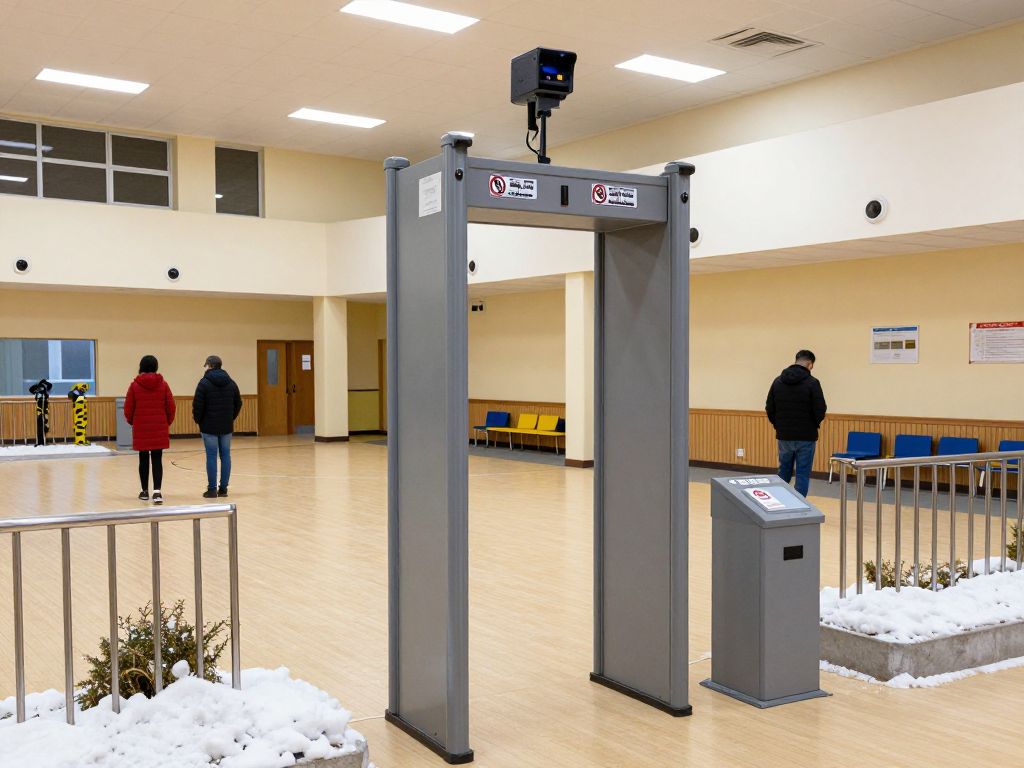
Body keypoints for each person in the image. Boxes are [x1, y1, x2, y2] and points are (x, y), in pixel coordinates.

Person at [765, 349, 827, 497]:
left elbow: (769, 407)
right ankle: (798, 507)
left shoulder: (778, 381)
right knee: (802, 474)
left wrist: (778, 425)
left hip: (784, 435)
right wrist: (813, 424)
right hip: (806, 436)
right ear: (810, 364)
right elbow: (820, 409)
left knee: (783, 472)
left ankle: (780, 502)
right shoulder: (812, 383)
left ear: (796, 360)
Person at [125, 355, 175, 504]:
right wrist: (166, 422)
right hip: (159, 426)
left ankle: (144, 491)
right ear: (156, 366)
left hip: (141, 427)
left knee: (143, 459)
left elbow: (128, 408)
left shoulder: (134, 386)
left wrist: (133, 422)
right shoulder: (164, 385)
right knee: (157, 459)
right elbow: (171, 407)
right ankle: (157, 492)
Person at [193, 355, 242, 499]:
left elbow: (197, 405)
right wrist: (230, 417)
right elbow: (238, 403)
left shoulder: (204, 383)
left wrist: (199, 421)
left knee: (211, 456)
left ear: (210, 366)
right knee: (226, 456)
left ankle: (212, 489)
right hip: (226, 426)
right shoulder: (231, 383)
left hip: (208, 427)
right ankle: (224, 489)